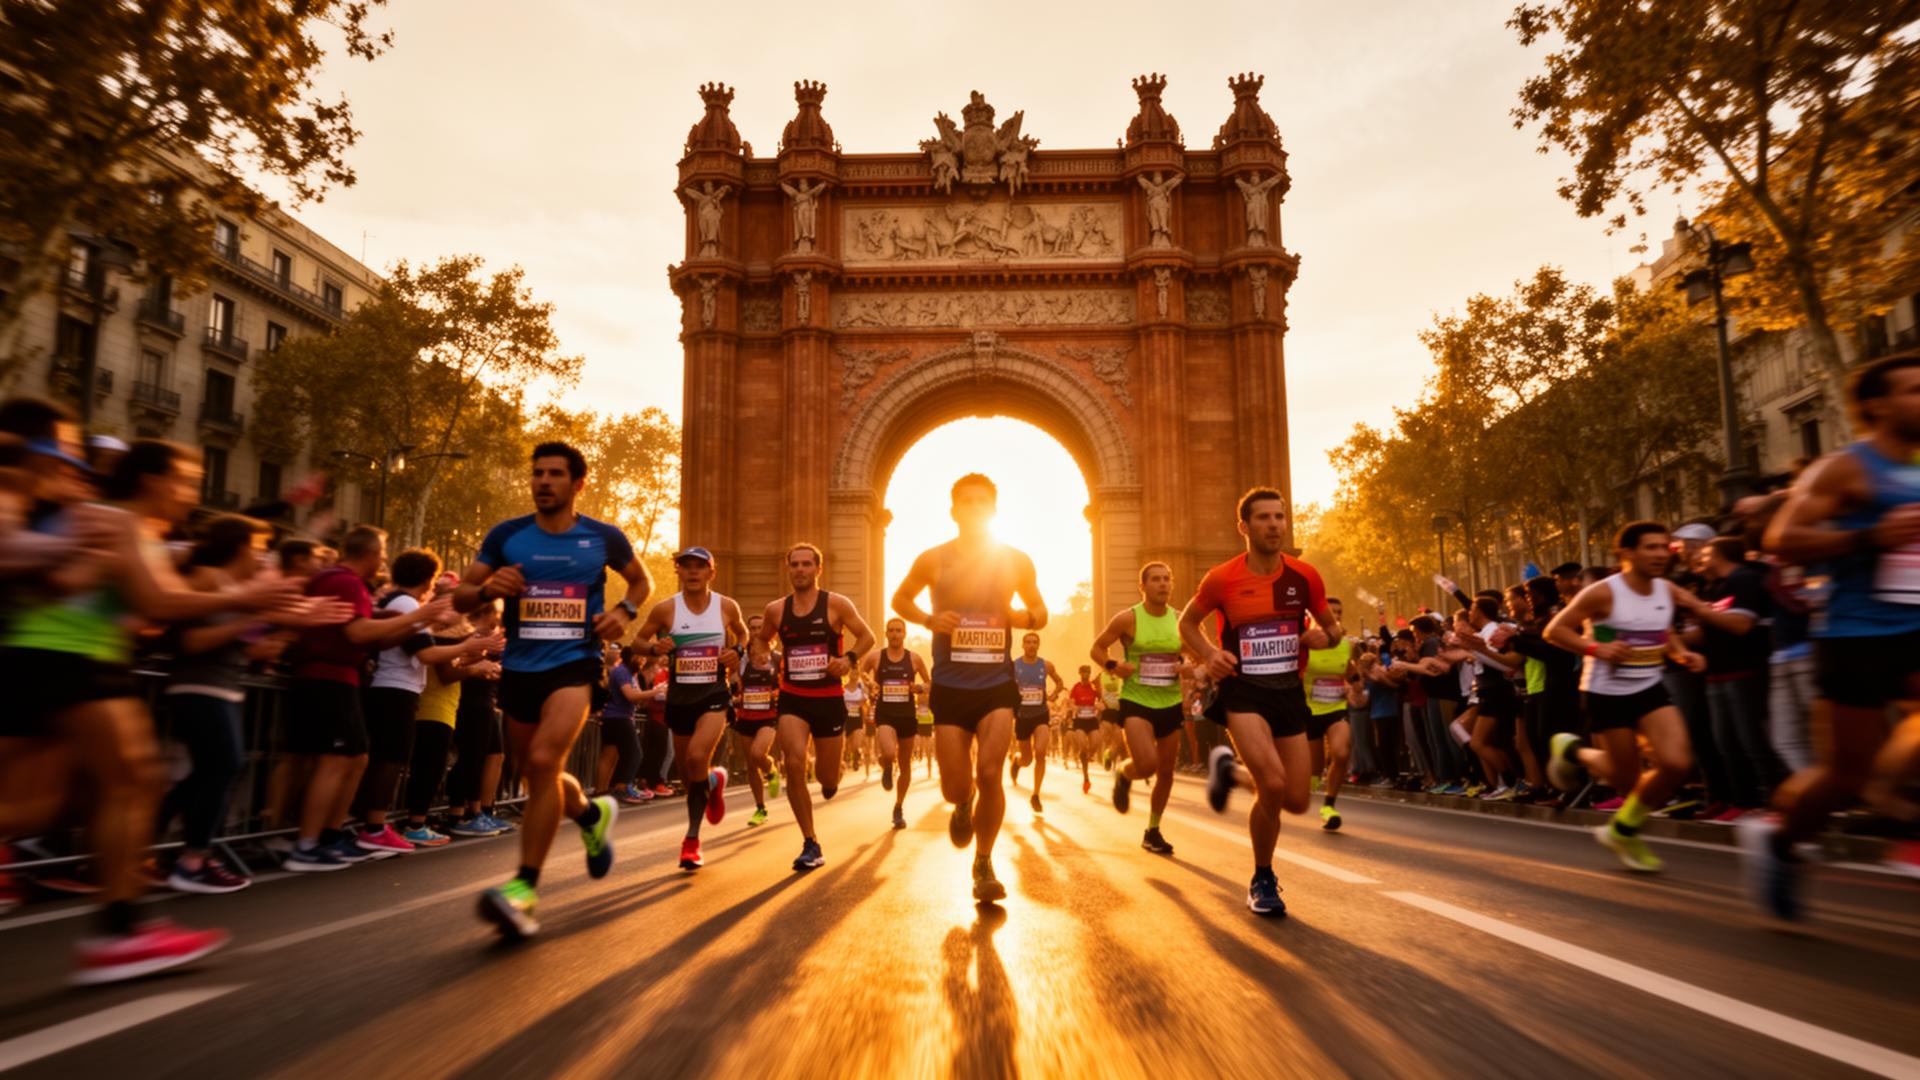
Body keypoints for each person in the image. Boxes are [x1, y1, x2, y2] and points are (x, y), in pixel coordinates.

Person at [0, 430, 327, 982]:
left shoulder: (140, 529)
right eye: (185, 481)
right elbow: (161, 601)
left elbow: (146, 611)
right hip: (68, 654)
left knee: (59, 801)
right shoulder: (121, 520)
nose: (190, 493)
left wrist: (265, 610)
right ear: (152, 480)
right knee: (134, 781)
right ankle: (119, 933)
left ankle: (120, 930)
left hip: (71, 654)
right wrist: (250, 598)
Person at [1744, 351, 1920, 919]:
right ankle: (1781, 842)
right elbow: (1780, 540)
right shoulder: (1846, 468)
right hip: (1856, 633)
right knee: (1844, 776)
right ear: (1878, 405)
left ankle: (1899, 811)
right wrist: (1870, 536)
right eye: (1914, 390)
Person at [453, 442, 650, 939]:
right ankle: (590, 815)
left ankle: (523, 889)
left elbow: (640, 581)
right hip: (520, 669)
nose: (543, 481)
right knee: (538, 773)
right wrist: (488, 589)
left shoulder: (602, 537)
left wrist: (623, 613)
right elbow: (460, 596)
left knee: (543, 761)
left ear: (577, 483)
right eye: (537, 473)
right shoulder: (507, 536)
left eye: (555, 474)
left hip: (575, 666)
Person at [1179, 487, 1341, 917]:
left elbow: (1333, 630)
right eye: (1264, 517)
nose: (1274, 525)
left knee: (1298, 799)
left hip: (1288, 691)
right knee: (1271, 784)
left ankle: (1229, 772)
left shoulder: (1305, 577)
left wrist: (1324, 637)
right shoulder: (1221, 578)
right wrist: (1209, 654)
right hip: (1243, 691)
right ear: (1244, 526)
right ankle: (1262, 878)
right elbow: (1187, 623)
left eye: (1279, 517)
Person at [893, 474, 1048, 904]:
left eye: (983, 501)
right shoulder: (933, 559)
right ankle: (963, 804)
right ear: (954, 510)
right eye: (967, 501)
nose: (975, 507)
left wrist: (1023, 617)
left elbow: (1041, 611)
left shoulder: (1015, 560)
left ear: (994, 510)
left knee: (990, 772)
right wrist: (928, 620)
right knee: (955, 788)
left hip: (997, 684)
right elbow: (900, 599)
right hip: (949, 686)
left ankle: (983, 863)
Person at [156, 515, 319, 892]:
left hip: (224, 688)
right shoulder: (207, 578)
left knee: (212, 772)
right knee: (222, 767)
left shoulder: (236, 587)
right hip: (197, 687)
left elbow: (244, 645)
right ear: (240, 547)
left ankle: (163, 846)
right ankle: (193, 860)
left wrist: (288, 629)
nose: (263, 556)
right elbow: (190, 641)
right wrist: (256, 615)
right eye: (259, 547)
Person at [281, 526, 454, 872]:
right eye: (383, 554)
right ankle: (307, 844)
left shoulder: (348, 583)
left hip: (342, 679)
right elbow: (357, 633)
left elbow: (372, 635)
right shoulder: (344, 581)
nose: (384, 562)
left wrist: (400, 622)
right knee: (335, 761)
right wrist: (418, 617)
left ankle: (330, 836)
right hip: (328, 678)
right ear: (372, 554)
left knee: (356, 758)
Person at [1544, 521, 1709, 873]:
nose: (1661, 554)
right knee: (1628, 780)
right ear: (1627, 553)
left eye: (1664, 547)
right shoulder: (1603, 592)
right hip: (1606, 692)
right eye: (1651, 547)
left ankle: (1623, 829)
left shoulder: (1666, 589)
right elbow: (1554, 630)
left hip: (1650, 686)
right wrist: (1595, 648)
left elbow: (1661, 629)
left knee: (1677, 763)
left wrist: (1681, 653)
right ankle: (1573, 751)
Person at [357, 550, 491, 855]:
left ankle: (372, 826)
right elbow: (427, 654)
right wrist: (468, 646)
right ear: (428, 579)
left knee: (387, 759)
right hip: (395, 688)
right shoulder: (407, 604)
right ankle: (374, 828)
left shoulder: (401, 602)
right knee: (390, 760)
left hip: (392, 687)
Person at [753, 542, 877, 872]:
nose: (800, 570)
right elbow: (762, 637)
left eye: (806, 564)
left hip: (828, 699)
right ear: (788, 568)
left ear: (818, 569)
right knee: (794, 762)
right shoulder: (776, 610)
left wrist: (848, 659)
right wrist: (762, 653)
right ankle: (810, 842)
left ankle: (832, 777)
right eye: (794, 564)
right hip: (793, 697)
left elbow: (867, 636)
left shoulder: (836, 604)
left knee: (826, 778)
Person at [630, 546, 745, 871]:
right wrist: (655, 647)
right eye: (686, 566)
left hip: (714, 694)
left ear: (711, 572)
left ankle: (692, 840)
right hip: (680, 699)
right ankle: (711, 783)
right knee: (687, 774)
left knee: (696, 757)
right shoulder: (666, 609)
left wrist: (737, 650)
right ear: (678, 571)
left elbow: (743, 632)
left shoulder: (726, 606)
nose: (693, 571)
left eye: (699, 566)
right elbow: (637, 642)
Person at [1092, 560, 1188, 854]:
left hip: (1170, 702)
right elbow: (1097, 648)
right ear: (1142, 586)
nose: (1162, 584)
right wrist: (1113, 666)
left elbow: (1197, 653)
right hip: (1137, 700)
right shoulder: (1127, 619)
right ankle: (1125, 773)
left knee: (1166, 772)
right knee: (1147, 764)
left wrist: (1189, 666)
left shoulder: (1181, 620)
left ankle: (1153, 830)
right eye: (1155, 579)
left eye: (1166, 579)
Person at [401, 579, 501, 846]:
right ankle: (415, 823)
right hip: (432, 707)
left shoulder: (445, 637)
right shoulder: (436, 635)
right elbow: (446, 673)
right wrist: (475, 667)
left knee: (432, 767)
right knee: (428, 767)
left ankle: (418, 822)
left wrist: (477, 661)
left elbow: (453, 664)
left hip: (443, 707)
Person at [447, 601, 513, 837]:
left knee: (495, 755)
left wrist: (496, 669)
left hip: (486, 700)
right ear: (488, 611)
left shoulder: (489, 635)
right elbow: (462, 663)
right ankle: (460, 813)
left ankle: (482, 811)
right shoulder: (469, 633)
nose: (499, 617)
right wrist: (484, 666)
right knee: (472, 757)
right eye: (498, 612)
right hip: (470, 701)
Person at [861, 617, 931, 830]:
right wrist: (869, 682)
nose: (894, 634)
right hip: (885, 714)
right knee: (890, 752)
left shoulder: (914, 659)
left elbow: (929, 683)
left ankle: (899, 806)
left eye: (898, 630)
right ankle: (886, 763)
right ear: (886, 633)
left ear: (904, 634)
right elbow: (862, 672)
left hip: (907, 716)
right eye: (891, 630)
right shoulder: (876, 656)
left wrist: (919, 688)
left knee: (905, 764)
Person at [1299, 596, 1355, 829]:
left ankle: (1329, 806)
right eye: (1331, 612)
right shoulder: (1305, 644)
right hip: (1309, 711)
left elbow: (1349, 671)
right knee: (1314, 771)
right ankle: (1303, 793)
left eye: (1339, 612)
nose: (1336, 616)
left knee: (1341, 753)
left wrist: (1354, 687)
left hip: (1336, 708)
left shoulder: (1347, 645)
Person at [1007, 632, 1065, 813]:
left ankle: (1036, 795)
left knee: (1040, 752)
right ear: (1023, 645)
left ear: (1038, 645)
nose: (1031, 645)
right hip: (1022, 717)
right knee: (1027, 760)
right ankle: (1017, 762)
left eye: (1034, 642)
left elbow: (1059, 681)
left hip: (1040, 714)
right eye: (1028, 642)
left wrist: (1053, 695)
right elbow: (1005, 687)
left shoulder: (1046, 665)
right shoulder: (1014, 666)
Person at [733, 634, 782, 826]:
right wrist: (736, 693)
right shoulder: (742, 663)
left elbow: (785, 685)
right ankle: (760, 808)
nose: (758, 651)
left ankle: (771, 770)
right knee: (751, 765)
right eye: (754, 647)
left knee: (757, 753)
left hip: (768, 717)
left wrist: (772, 694)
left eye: (763, 647)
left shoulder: (777, 660)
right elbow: (735, 685)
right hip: (746, 717)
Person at [1067, 668, 1100, 793]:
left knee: (1095, 744)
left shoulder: (1093, 687)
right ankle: (1086, 777)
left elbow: (1102, 698)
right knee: (1083, 747)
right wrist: (1074, 707)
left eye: (1088, 672)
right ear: (1080, 673)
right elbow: (1070, 702)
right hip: (1080, 721)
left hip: (1092, 720)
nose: (1086, 674)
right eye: (1084, 672)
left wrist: (1099, 705)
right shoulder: (1076, 687)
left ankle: (1087, 757)